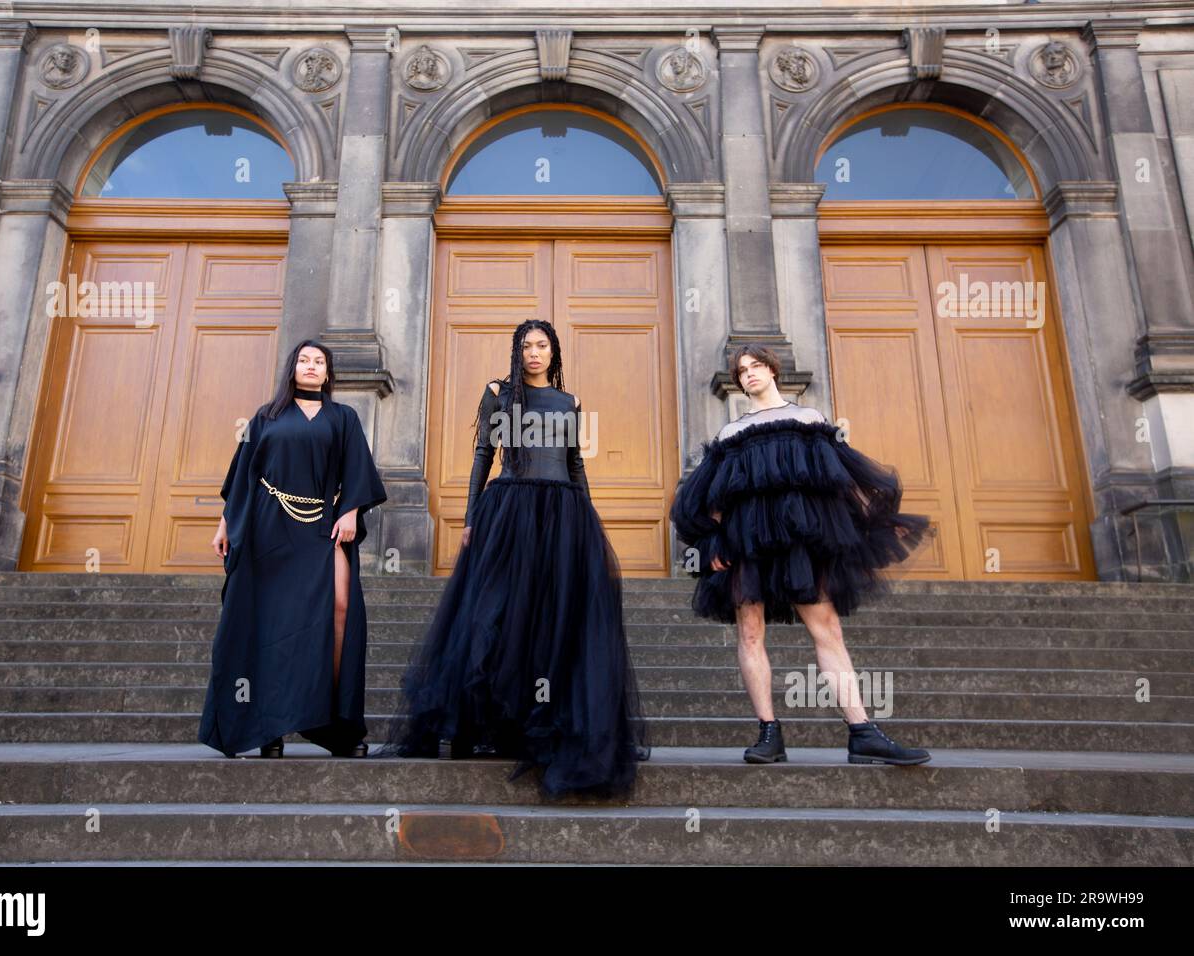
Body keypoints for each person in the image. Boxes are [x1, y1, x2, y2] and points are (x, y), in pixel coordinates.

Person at [381, 319, 648, 797]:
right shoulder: (498, 393)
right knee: (494, 615)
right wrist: (469, 520)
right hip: (509, 513)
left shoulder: (571, 403)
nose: (534, 353)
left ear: (554, 352)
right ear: (517, 351)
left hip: (563, 513)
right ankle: (478, 723)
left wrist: (587, 521)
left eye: (542, 345)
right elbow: (483, 454)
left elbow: (574, 463)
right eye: (526, 346)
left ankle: (537, 724)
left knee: (550, 621)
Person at [671, 344, 934, 766]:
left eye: (757, 366)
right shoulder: (729, 436)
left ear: (773, 371)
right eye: (742, 371)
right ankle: (768, 734)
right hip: (747, 547)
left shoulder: (808, 421)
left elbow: (841, 482)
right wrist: (710, 545)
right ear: (738, 381)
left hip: (800, 546)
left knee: (827, 629)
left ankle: (863, 732)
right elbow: (703, 501)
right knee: (751, 633)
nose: (750, 374)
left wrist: (876, 521)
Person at [199, 340, 387, 759]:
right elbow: (242, 477)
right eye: (304, 359)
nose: (311, 366)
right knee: (270, 623)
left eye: (319, 362)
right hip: (268, 528)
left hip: (321, 524)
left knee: (341, 607)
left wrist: (352, 511)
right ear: (292, 367)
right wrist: (224, 525)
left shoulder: (344, 417)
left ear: (328, 373)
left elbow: (357, 469)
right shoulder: (265, 417)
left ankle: (338, 726)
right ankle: (270, 725)